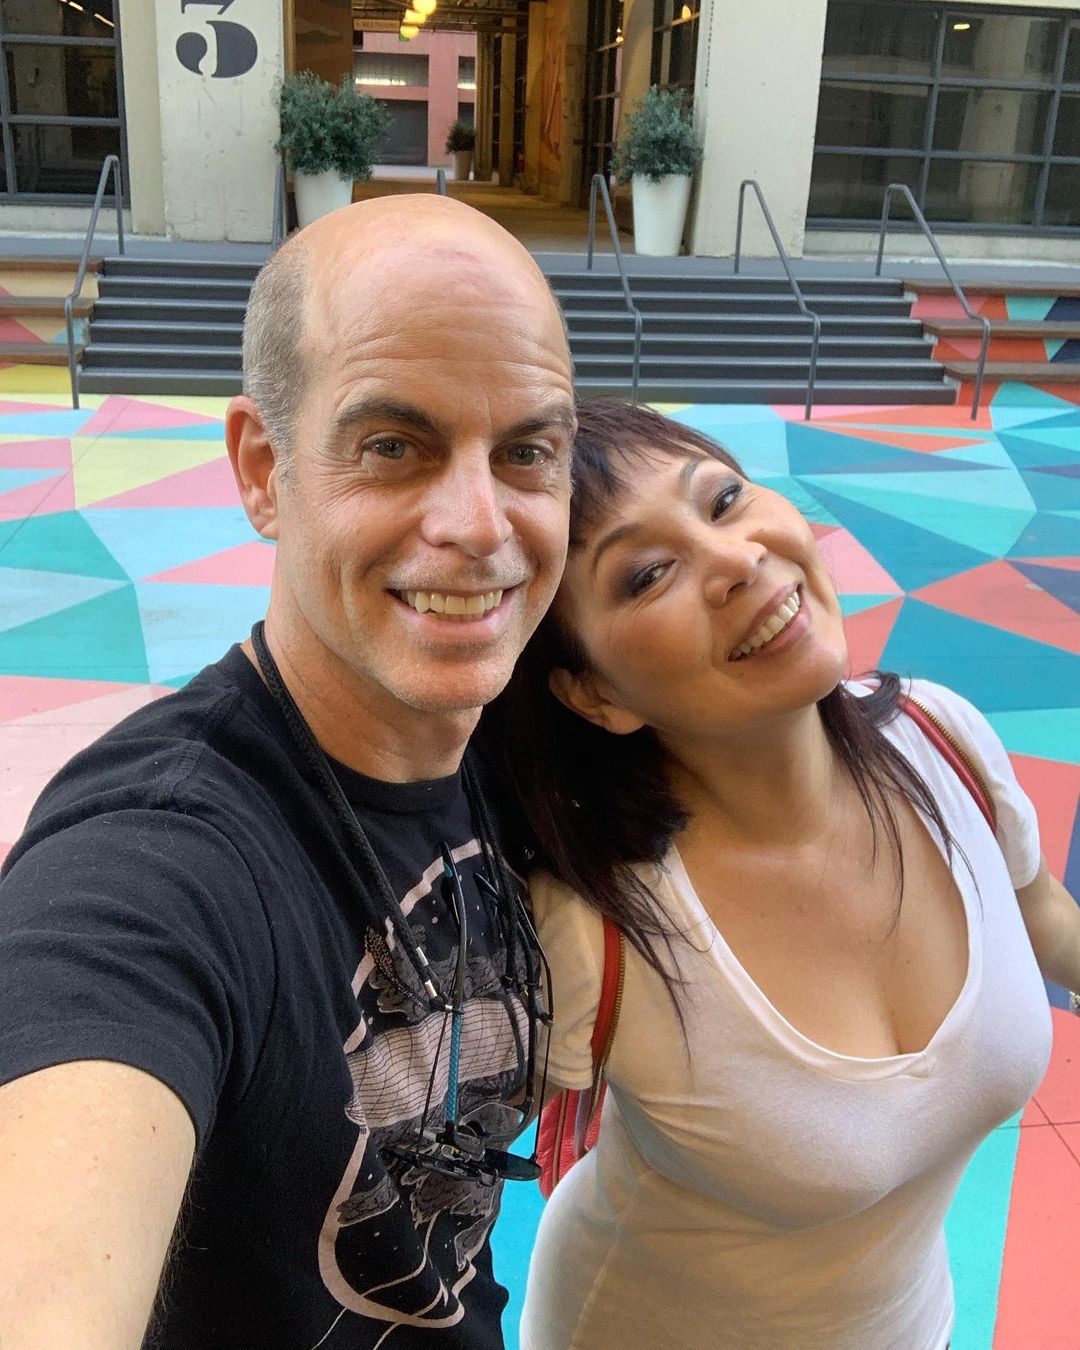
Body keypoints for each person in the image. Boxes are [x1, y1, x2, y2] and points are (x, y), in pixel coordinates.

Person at [0, 196, 575, 1349]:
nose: (479, 523)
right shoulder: (160, 859)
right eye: (393, 446)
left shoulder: (523, 742)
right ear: (264, 469)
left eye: (527, 451)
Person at [482, 399, 1080, 1350]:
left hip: (909, 1326)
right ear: (593, 694)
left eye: (722, 500)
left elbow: (1044, 917)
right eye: (646, 574)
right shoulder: (593, 931)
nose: (735, 560)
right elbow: (411, 1161)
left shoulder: (942, 741)